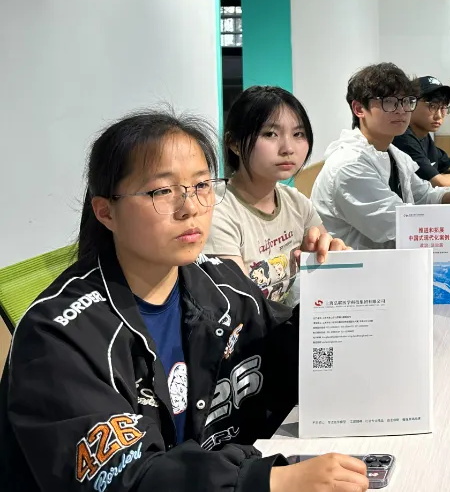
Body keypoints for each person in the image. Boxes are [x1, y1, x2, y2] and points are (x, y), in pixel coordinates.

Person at [0, 109, 366, 491]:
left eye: (202, 185)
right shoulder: (57, 336)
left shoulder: (220, 284)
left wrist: (331, 295)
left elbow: (285, 361)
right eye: (162, 191)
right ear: (106, 212)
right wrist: (264, 481)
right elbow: (124, 478)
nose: (190, 207)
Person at [312, 62, 450, 251]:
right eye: (389, 102)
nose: (402, 110)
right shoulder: (349, 165)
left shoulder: (392, 153)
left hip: (399, 262)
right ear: (359, 109)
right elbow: (406, 226)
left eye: (406, 102)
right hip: (362, 273)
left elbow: (425, 197)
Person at [203, 86, 328, 305]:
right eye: (270, 134)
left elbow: (328, 267)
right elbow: (243, 305)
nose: (288, 148)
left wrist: (328, 259)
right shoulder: (217, 211)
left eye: (298, 134)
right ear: (234, 144)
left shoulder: (296, 203)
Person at [392, 76, 450, 188]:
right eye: (432, 106)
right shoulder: (403, 138)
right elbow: (439, 183)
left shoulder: (423, 135)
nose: (439, 116)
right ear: (411, 104)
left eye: (443, 108)